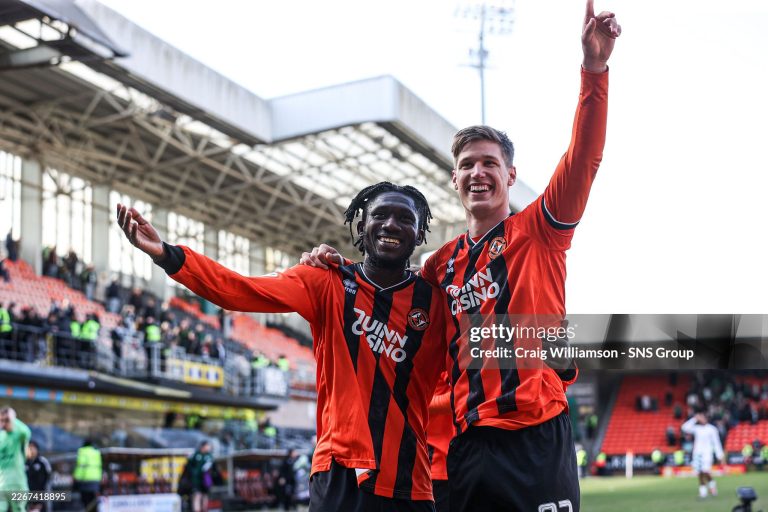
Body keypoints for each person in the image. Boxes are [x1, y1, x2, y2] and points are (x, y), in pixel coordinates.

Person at [301, 2, 620, 509]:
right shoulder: (439, 265)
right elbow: (383, 293)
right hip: (468, 446)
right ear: (454, 179)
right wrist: (335, 267)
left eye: (490, 163)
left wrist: (594, 70)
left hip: (536, 436)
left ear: (510, 176)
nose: (479, 173)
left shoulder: (541, 228)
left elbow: (584, 156)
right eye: (467, 164)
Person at [116, 181, 450, 512]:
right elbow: (239, 290)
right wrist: (166, 254)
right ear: (362, 226)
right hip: (339, 473)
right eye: (381, 215)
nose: (391, 224)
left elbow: (489, 361)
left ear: (420, 235)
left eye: (405, 219)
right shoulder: (327, 281)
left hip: (410, 480)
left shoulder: (437, 302)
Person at [681, 412, 724, 499]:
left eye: (702, 417)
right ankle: (703, 492)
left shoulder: (712, 429)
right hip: (697, 454)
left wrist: (720, 455)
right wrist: (694, 419)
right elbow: (684, 428)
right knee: (699, 473)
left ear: (706, 418)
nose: (701, 419)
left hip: (707, 454)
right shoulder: (697, 428)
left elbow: (716, 442)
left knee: (705, 471)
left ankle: (712, 486)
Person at [427, 372, 452, 512]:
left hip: (439, 459)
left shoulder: (444, 353)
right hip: (420, 458)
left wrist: (415, 402)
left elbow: (462, 396)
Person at [0, 407, 31, 512]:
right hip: (2, 484)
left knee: (19, 509)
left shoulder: (18, 435)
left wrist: (13, 419)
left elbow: (26, 432)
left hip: (17, 484)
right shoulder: (1, 437)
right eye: (1, 420)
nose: (4, 423)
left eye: (6, 420)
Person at [186, 440, 214, 512]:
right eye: (207, 446)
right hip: (196, 480)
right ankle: (197, 510)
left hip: (205, 480)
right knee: (197, 495)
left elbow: (212, 467)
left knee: (205, 495)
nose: (209, 447)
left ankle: (205, 509)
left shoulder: (209, 456)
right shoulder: (196, 454)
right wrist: (193, 473)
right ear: (203, 446)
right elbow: (189, 466)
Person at [73, 439, 102, 510]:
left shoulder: (82, 452)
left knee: (86, 502)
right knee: (93, 502)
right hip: (95, 480)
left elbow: (80, 466)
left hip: (85, 481)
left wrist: (76, 477)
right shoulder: (96, 452)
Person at [25, 440, 52, 512]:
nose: (31, 450)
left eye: (33, 448)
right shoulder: (23, 462)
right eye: (29, 448)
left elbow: (48, 477)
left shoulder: (42, 462)